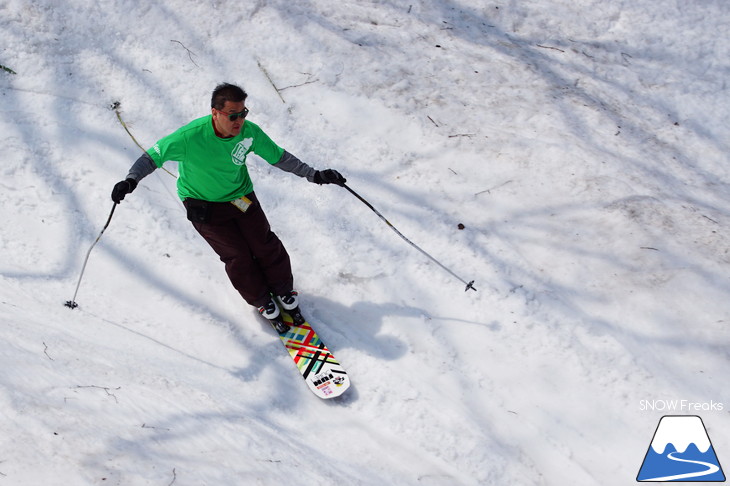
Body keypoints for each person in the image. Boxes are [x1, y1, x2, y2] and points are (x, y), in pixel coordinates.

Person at [111, 82, 346, 333]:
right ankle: (262, 301)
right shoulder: (189, 137)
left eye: (243, 113)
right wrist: (130, 180)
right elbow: (151, 157)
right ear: (215, 113)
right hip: (204, 206)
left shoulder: (249, 132)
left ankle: (283, 290)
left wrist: (314, 175)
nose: (239, 120)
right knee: (238, 256)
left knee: (264, 242)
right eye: (233, 115)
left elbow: (278, 156)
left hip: (240, 197)